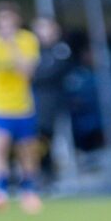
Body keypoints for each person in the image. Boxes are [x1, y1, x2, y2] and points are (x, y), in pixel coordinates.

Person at [0, 1, 42, 213]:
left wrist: (11, 45)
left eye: (8, 21)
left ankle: (28, 191)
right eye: (0, 21)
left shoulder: (27, 40)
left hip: (22, 106)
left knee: (26, 151)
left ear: (16, 21)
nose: (4, 25)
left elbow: (27, 73)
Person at [31, 16, 73, 184]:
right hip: (30, 103)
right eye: (40, 28)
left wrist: (30, 73)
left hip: (55, 104)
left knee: (53, 140)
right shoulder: (30, 50)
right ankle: (35, 175)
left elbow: (49, 73)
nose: (43, 33)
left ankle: (53, 176)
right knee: (33, 141)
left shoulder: (61, 50)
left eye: (46, 28)